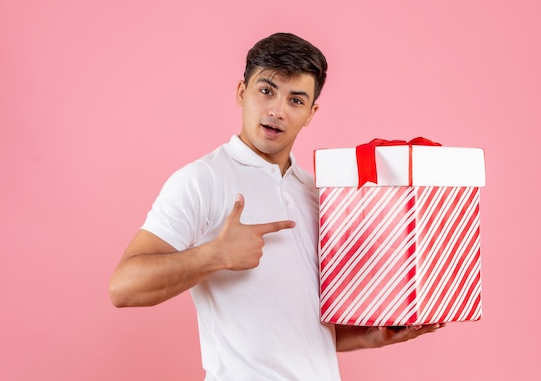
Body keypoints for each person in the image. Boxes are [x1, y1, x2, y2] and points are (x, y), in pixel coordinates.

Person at [109, 32, 444, 380]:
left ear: (311, 113)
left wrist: (371, 336)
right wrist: (216, 255)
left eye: (296, 100)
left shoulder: (317, 193)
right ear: (242, 92)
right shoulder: (202, 179)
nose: (277, 111)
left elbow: (303, 326)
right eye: (266, 91)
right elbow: (123, 287)